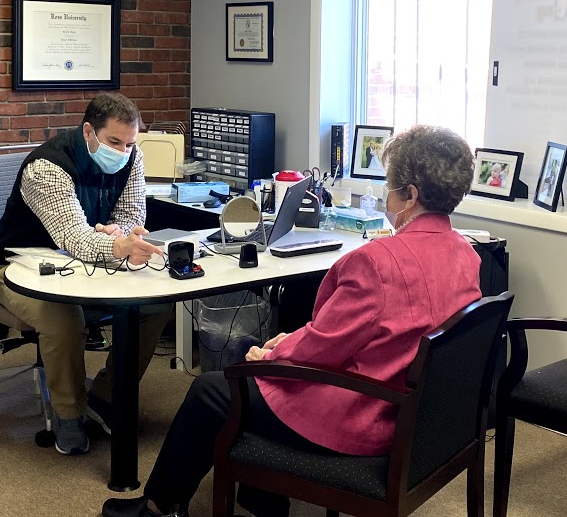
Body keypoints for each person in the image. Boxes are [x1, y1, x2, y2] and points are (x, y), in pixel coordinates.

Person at [103, 124, 483, 517]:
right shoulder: (465, 254)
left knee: (213, 390)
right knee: (245, 361)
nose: (387, 194)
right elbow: (368, 332)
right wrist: (286, 342)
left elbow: (324, 347)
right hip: (416, 413)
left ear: (411, 196)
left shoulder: (378, 261)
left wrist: (274, 353)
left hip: (365, 415)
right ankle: (262, 496)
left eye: (390, 185)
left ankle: (160, 507)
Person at [0, 92, 167, 456]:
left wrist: (117, 232)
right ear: (89, 132)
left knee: (154, 305)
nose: (123, 151)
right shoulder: (47, 167)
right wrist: (115, 245)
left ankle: (106, 396)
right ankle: (68, 416)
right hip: (20, 271)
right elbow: (73, 236)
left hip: (85, 267)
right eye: (114, 142)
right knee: (64, 318)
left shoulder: (132, 156)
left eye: (130, 143)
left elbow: (132, 215)